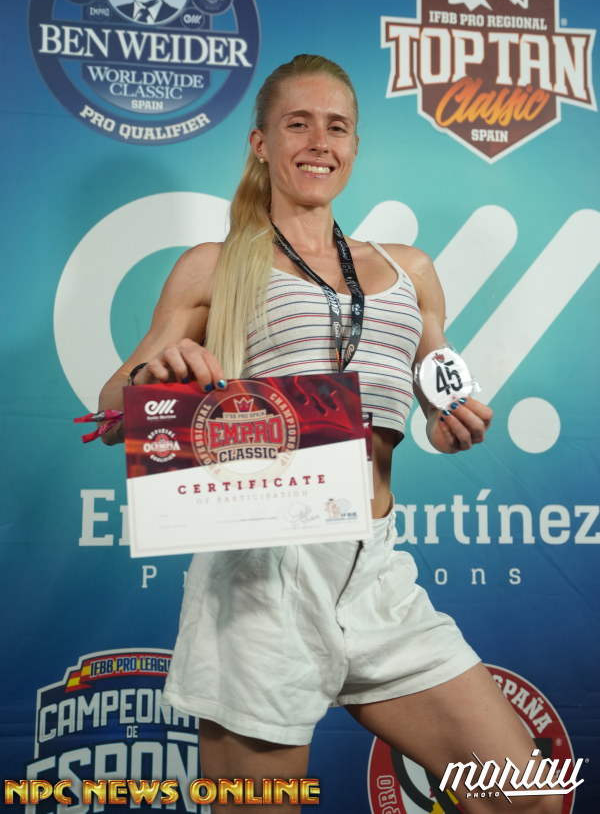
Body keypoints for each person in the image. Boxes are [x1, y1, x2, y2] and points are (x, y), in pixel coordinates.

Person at [99, 54, 561, 813]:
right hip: (261, 573)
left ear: (355, 145)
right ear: (261, 143)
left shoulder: (409, 271)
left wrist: (450, 424)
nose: (319, 141)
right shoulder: (215, 266)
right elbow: (113, 402)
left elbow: (436, 398)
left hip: (374, 564)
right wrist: (159, 374)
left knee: (526, 797)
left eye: (337, 126)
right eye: (298, 124)